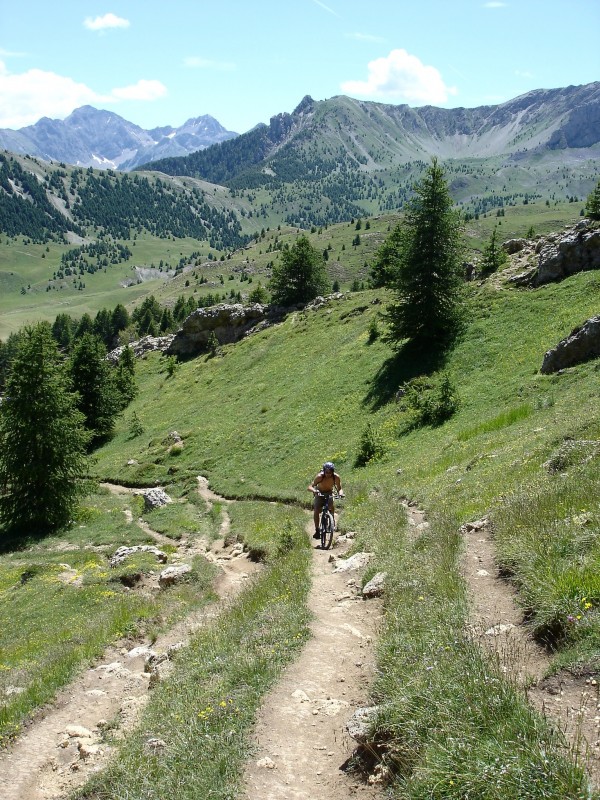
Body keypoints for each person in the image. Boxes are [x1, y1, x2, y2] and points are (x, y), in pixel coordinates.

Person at [308, 461, 344, 539]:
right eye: (326, 472)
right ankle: (317, 529)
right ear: (324, 471)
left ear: (333, 471)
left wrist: (341, 494)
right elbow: (310, 487)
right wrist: (315, 491)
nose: (328, 474)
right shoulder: (319, 477)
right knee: (317, 509)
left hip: (329, 493)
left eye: (330, 472)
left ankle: (332, 520)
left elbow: (339, 488)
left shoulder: (336, 477)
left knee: (331, 506)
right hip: (319, 493)